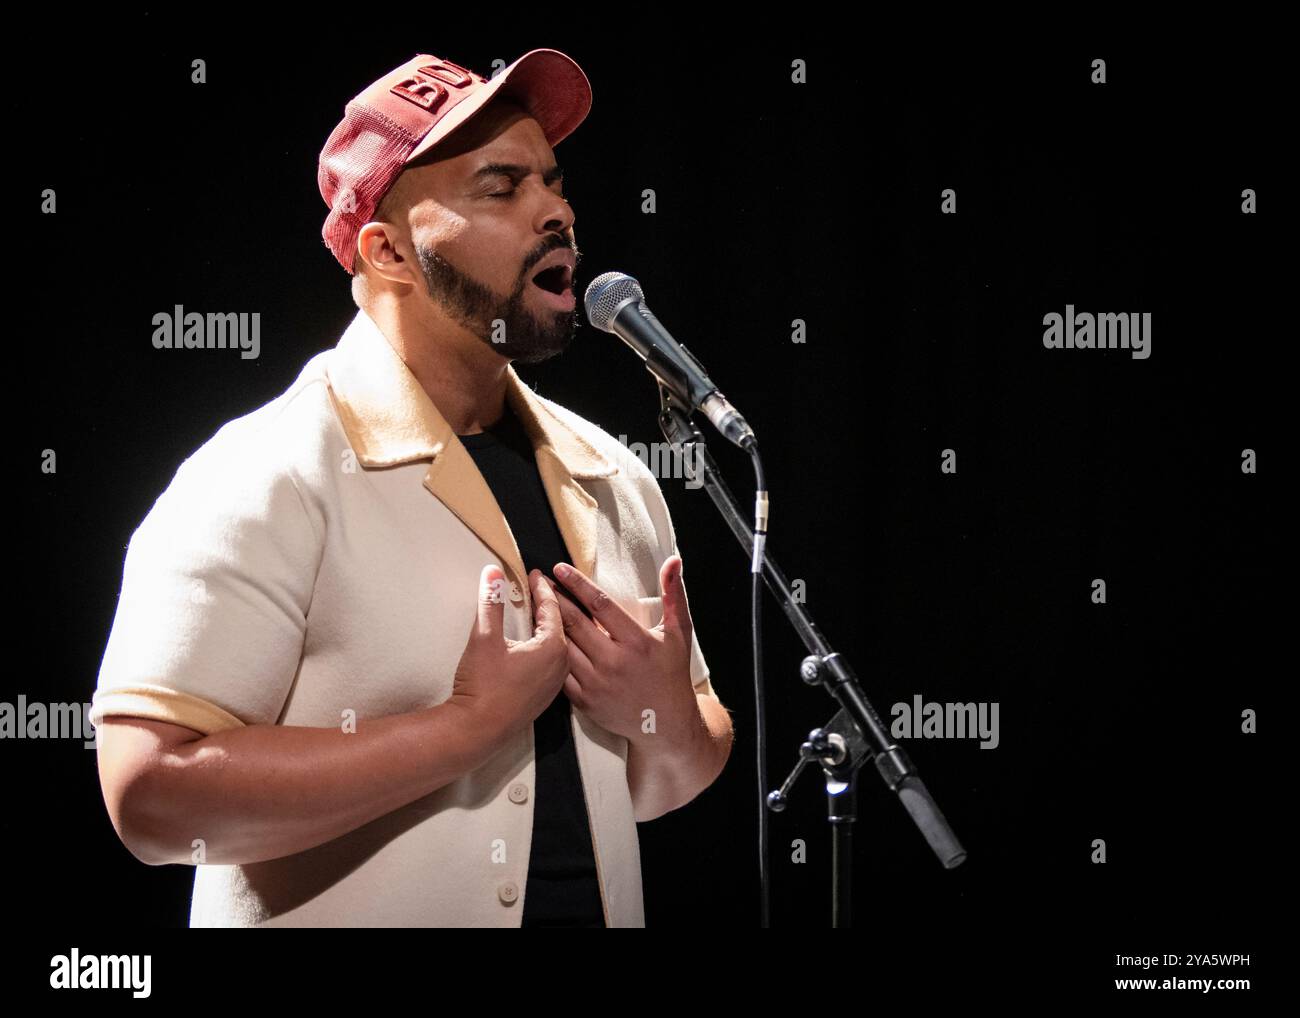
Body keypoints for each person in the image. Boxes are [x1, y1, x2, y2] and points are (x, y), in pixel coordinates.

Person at [90, 48, 733, 927]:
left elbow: (668, 782)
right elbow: (151, 801)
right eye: (502, 187)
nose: (559, 213)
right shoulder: (267, 472)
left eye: (552, 181)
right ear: (388, 251)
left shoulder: (612, 476)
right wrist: (464, 730)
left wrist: (659, 715)